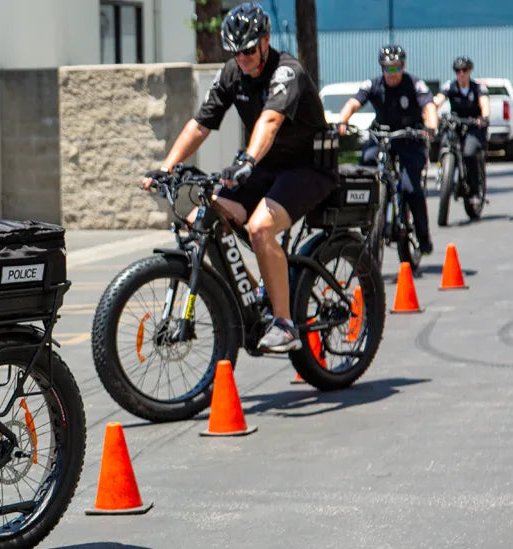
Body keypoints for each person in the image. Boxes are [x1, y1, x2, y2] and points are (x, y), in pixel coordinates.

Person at [141, 1, 334, 353]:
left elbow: (270, 121)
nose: (242, 58)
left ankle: (285, 323)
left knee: (260, 228)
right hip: (265, 167)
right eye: (235, 51)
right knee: (204, 212)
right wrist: (167, 168)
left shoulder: (286, 71)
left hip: (307, 168)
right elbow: (201, 125)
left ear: (265, 41)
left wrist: (246, 159)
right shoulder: (233, 72)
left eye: (248, 50)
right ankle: (250, 292)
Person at [337, 45, 438, 255]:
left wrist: (431, 126)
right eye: (388, 68)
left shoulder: (414, 84)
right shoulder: (373, 84)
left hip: (410, 138)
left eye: (396, 68)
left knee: (411, 189)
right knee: (364, 167)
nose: (392, 73)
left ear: (403, 66)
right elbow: (354, 102)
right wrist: (343, 121)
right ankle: (367, 222)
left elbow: (429, 106)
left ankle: (423, 236)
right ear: (382, 68)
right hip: (382, 137)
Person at [433, 56, 490, 212]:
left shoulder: (477, 87)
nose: (461, 73)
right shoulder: (450, 86)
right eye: (458, 71)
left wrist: (484, 117)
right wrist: (431, 111)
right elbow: (437, 100)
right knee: (445, 140)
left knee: (469, 153)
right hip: (456, 124)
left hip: (473, 125)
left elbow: (484, 103)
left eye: (464, 70)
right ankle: (443, 172)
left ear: (469, 71)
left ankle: (474, 191)